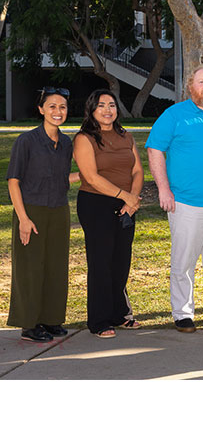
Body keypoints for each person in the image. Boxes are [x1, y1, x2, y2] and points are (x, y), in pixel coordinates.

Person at [146, 66, 203, 333]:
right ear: (190, 86)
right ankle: (183, 313)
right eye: (201, 82)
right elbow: (155, 151)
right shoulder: (174, 115)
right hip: (187, 203)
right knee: (184, 261)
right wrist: (164, 190)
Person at [6, 87, 79, 343]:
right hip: (31, 211)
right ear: (41, 110)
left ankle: (51, 318)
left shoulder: (67, 143)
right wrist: (23, 219)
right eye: (52, 106)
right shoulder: (26, 142)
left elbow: (62, 179)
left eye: (62, 107)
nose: (58, 112)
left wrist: (88, 175)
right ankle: (29, 324)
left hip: (59, 210)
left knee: (56, 267)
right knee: (30, 268)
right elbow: (13, 181)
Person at [73, 90, 144, 338]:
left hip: (126, 205)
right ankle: (100, 320)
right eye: (101, 105)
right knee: (101, 262)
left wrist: (132, 201)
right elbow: (91, 176)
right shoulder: (84, 138)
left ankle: (120, 313)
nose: (107, 110)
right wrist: (125, 196)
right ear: (92, 110)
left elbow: (137, 170)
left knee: (121, 260)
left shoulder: (126, 136)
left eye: (112, 105)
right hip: (96, 204)